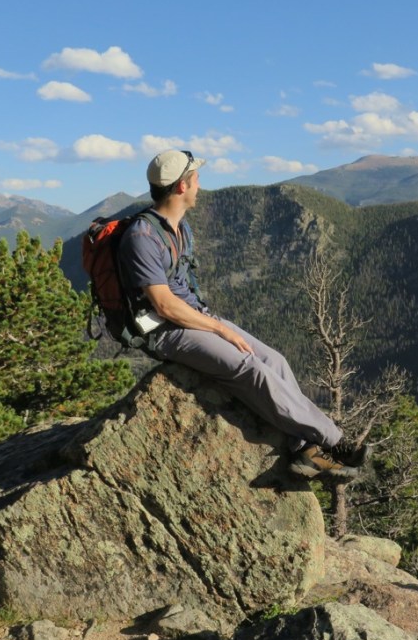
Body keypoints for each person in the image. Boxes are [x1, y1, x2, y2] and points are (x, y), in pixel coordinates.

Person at [118, 149, 365, 479]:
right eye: (196, 179)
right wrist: (221, 331)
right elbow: (163, 304)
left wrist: (216, 325)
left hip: (192, 316)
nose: (199, 186)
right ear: (181, 187)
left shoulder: (178, 228)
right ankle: (334, 441)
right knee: (250, 368)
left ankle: (301, 449)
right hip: (165, 329)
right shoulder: (142, 237)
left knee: (274, 360)